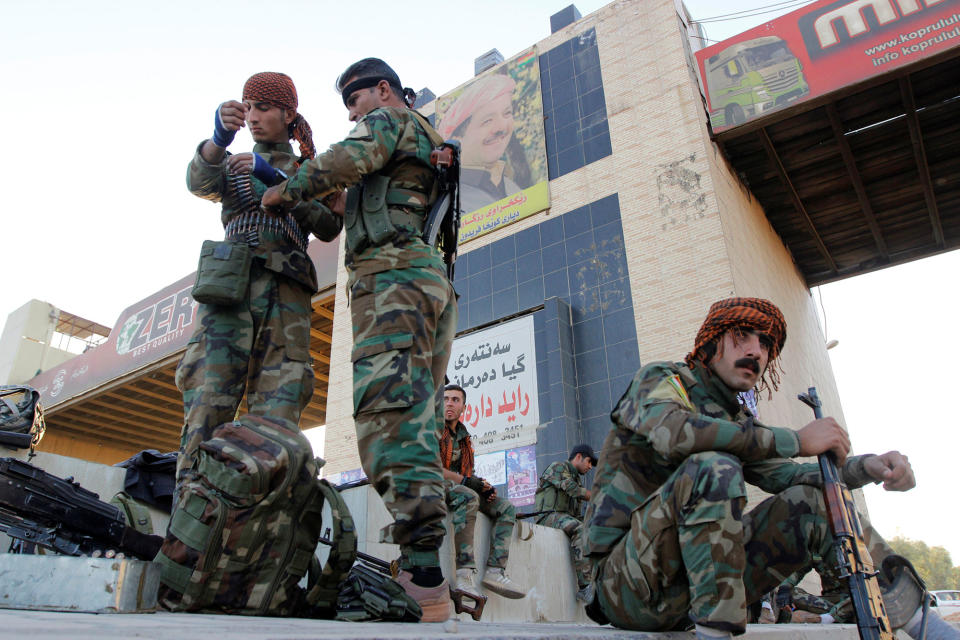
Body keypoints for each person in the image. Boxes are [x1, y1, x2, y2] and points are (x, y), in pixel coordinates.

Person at [579, 297, 952, 640]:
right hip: (625, 586)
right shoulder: (664, 380)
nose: (755, 350)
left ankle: (926, 627)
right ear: (710, 343)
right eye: (742, 336)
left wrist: (868, 467)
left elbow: (793, 477)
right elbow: (674, 433)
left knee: (815, 500)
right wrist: (796, 439)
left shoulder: (737, 422)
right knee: (714, 466)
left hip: (687, 595)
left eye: (766, 344)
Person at [261, 58, 457, 622]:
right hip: (419, 279)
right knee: (414, 415)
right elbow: (346, 207)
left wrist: (286, 189)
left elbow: (344, 162)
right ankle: (423, 570)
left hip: (392, 280)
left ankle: (423, 578)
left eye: (355, 101)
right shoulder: (412, 139)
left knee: (388, 416)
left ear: (384, 90)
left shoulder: (391, 121)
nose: (351, 114)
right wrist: (307, 197)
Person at [177, 72, 342, 481]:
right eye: (247, 107)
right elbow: (199, 183)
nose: (252, 116)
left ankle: (259, 523)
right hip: (229, 288)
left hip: (285, 293)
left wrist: (278, 181)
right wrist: (217, 140)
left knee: (277, 410)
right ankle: (190, 512)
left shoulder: (311, 168)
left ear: (288, 113)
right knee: (207, 399)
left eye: (263, 108)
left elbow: (327, 225)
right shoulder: (230, 162)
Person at [440, 384, 527, 600]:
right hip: (432, 483)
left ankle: (495, 571)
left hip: (458, 485)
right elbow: (432, 467)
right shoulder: (431, 428)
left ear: (463, 407)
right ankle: (463, 574)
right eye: (446, 399)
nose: (450, 403)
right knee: (468, 496)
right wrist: (470, 483)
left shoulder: (463, 435)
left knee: (506, 507)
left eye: (455, 400)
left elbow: (467, 472)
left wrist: (483, 488)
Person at [436, 73, 532, 214]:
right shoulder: (451, 201)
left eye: (507, 113)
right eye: (487, 121)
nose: (501, 127)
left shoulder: (512, 188)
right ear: (457, 141)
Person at [533, 443, 596, 603]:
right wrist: (597, 496)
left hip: (563, 518)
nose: (590, 466)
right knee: (580, 529)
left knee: (595, 530)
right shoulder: (558, 467)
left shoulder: (576, 479)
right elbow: (571, 489)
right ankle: (585, 586)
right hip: (547, 517)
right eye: (588, 461)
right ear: (578, 457)